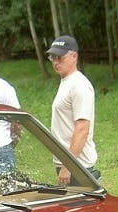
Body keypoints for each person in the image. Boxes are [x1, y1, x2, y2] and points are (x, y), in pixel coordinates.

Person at [46, 35, 99, 186]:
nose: (55, 62)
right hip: (68, 162)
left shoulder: (79, 85)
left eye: (60, 57)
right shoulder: (67, 82)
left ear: (74, 56)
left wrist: (68, 166)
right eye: (52, 57)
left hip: (78, 166)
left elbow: (82, 129)